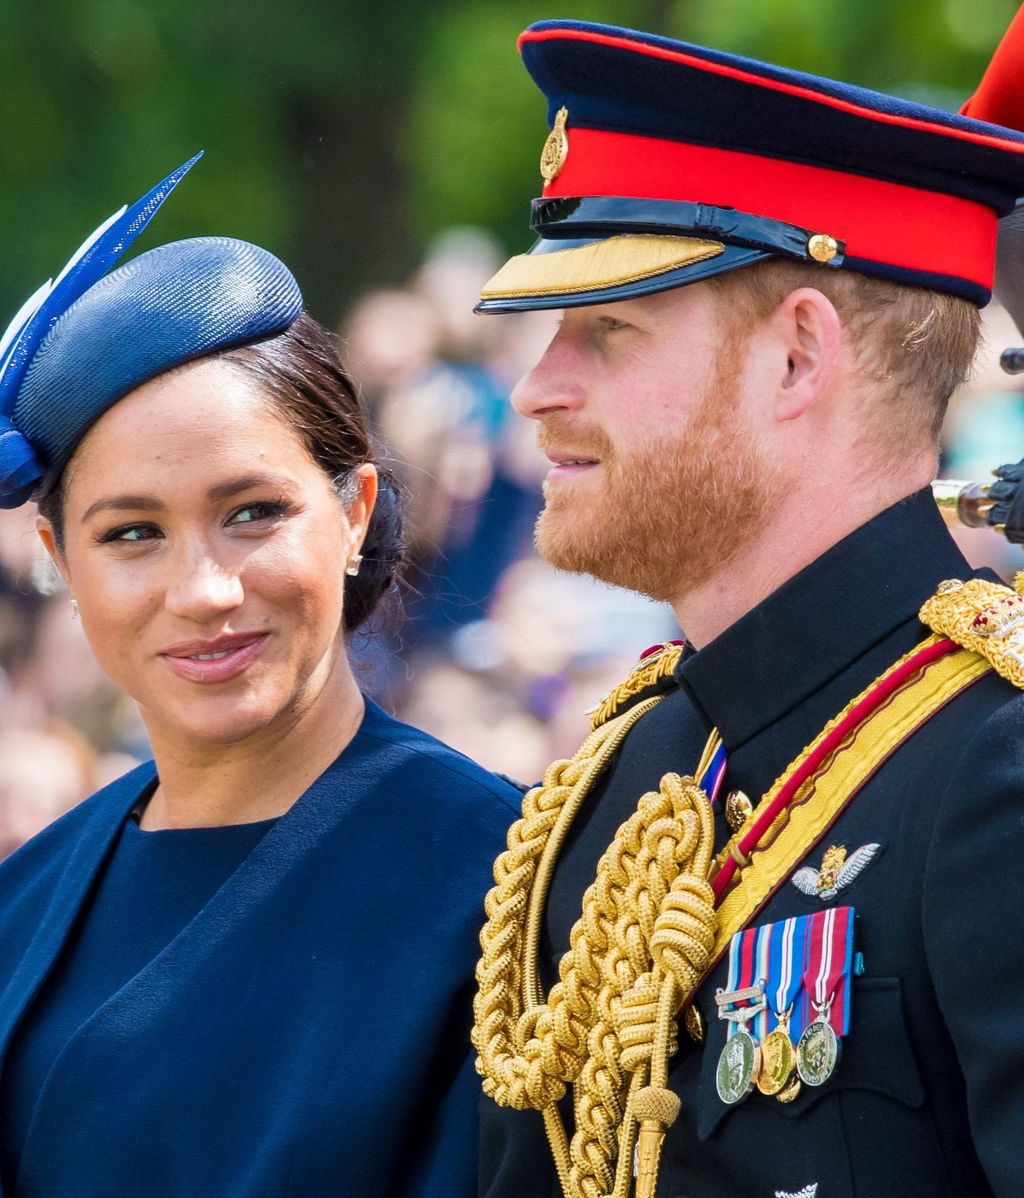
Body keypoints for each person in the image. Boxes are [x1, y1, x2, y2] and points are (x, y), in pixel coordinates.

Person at [470, 13, 1024, 1198]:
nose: (534, 388)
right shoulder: (628, 775)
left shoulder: (998, 770)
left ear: (796, 358)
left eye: (605, 329)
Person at [0, 158, 521, 1198]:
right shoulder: (24, 900)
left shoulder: (502, 887)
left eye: (253, 512)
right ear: (58, 561)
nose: (203, 589)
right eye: (133, 532)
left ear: (356, 511)